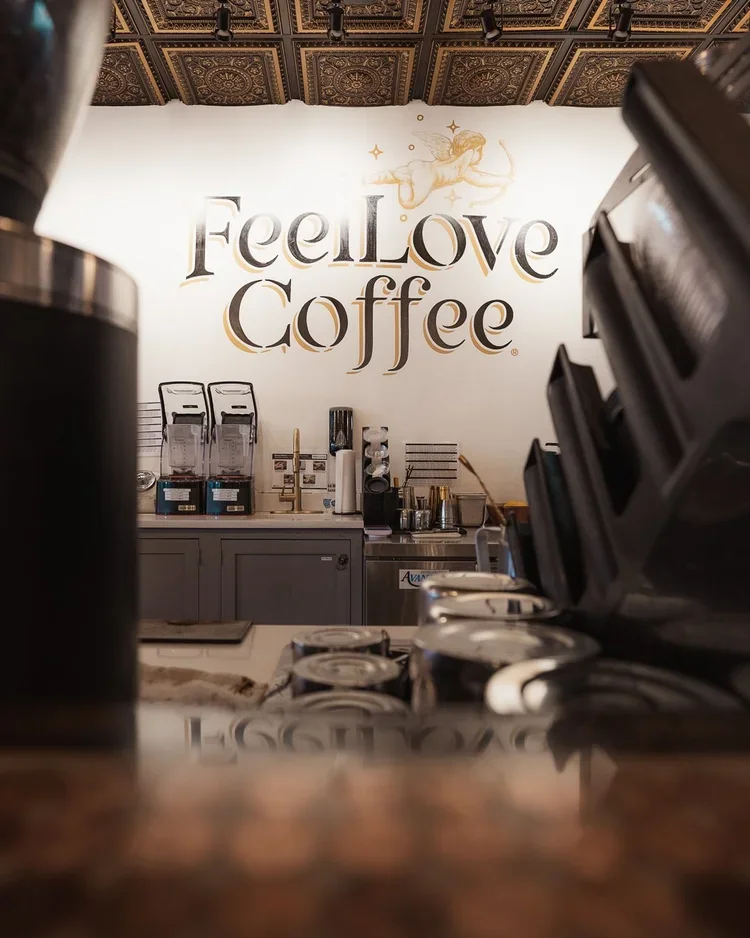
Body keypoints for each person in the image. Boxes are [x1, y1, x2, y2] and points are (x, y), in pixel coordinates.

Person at [366, 130, 514, 210]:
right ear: (471, 151)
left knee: (390, 175)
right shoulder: (463, 168)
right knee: (408, 203)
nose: (481, 154)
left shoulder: (450, 154)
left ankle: (372, 178)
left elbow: (482, 175)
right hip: (428, 176)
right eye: (479, 150)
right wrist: (503, 180)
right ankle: (404, 181)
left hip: (419, 165)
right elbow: (481, 180)